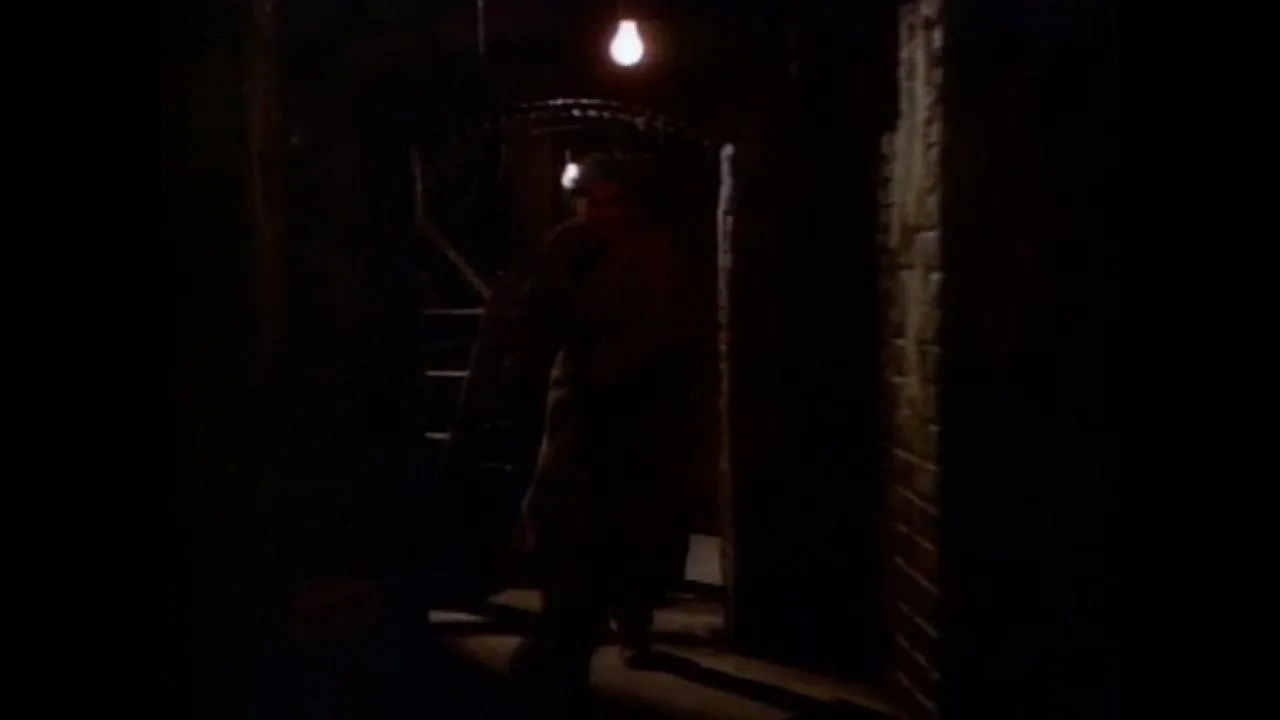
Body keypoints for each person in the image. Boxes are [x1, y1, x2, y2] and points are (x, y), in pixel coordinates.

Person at [509, 155, 699, 707]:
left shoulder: (652, 252)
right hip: (578, 401)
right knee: (560, 511)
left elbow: (665, 328)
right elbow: (540, 309)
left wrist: (619, 365)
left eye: (610, 202)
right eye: (591, 201)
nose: (598, 212)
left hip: (633, 405)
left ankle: (629, 620)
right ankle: (564, 628)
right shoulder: (569, 244)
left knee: (632, 519)